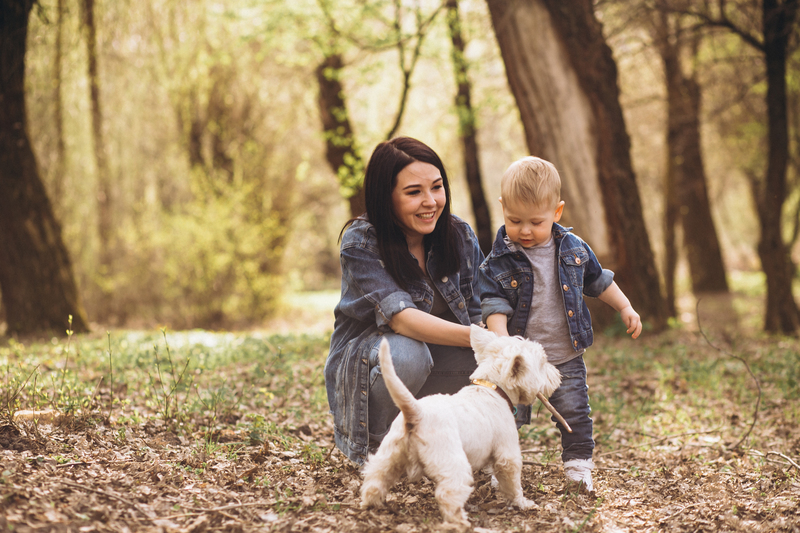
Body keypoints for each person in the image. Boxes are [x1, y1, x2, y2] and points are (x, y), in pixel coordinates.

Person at [478, 156, 642, 492]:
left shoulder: (574, 249)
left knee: (575, 413)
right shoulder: (498, 260)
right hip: (519, 362)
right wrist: (503, 341)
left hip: (565, 355)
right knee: (503, 415)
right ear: (502, 209)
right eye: (514, 220)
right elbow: (492, 302)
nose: (525, 230)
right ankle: (500, 470)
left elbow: (599, 281)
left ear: (557, 212)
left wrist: (625, 306)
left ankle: (578, 469)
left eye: (535, 222)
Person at [325, 137, 485, 466]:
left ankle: (452, 443)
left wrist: (497, 342)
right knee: (408, 353)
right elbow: (402, 319)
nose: (430, 202)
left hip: (433, 374)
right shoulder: (361, 242)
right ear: (387, 198)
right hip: (376, 369)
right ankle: (375, 447)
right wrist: (480, 338)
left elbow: (480, 309)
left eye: (437, 187)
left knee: (495, 358)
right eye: (414, 192)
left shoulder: (459, 236)